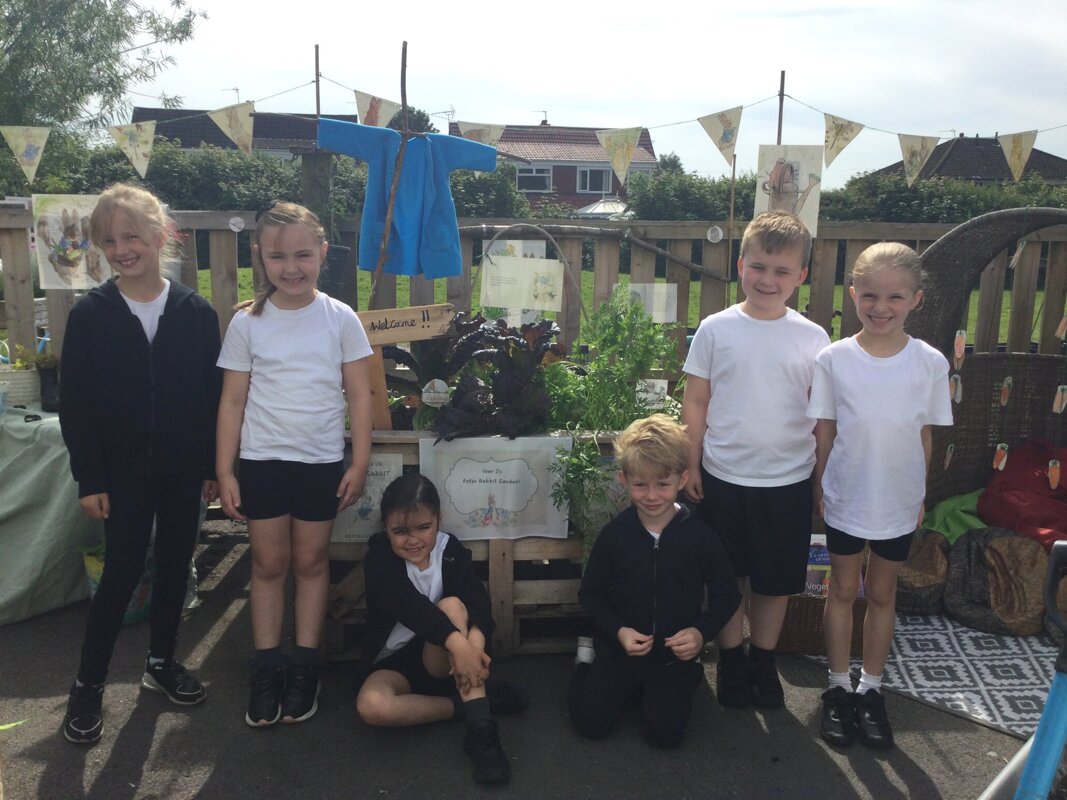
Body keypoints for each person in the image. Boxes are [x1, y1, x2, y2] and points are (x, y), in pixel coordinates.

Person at [59, 182, 222, 744]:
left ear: (161, 236)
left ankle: (160, 663)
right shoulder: (92, 316)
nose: (122, 248)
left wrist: (209, 467)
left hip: (182, 472)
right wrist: (91, 478)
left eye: (132, 236)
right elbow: (75, 406)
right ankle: (88, 687)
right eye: (109, 241)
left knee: (177, 567)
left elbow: (210, 395)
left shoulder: (195, 313)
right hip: (121, 475)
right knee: (122, 575)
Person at [215, 201, 373, 727]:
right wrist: (225, 469)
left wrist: (361, 461)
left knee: (310, 563)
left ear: (322, 254)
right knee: (268, 565)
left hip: (320, 462)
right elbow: (232, 402)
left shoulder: (340, 318)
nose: (291, 267)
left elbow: (360, 394)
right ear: (260, 256)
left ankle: (305, 666)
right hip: (261, 463)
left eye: (303, 254)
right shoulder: (248, 324)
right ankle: (268, 667)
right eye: (278, 256)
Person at [681, 210, 831, 709]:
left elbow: (821, 418)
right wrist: (692, 462)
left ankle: (764, 661)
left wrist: (819, 479)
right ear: (741, 264)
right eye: (759, 266)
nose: (769, 279)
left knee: (774, 580)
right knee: (728, 577)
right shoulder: (715, 329)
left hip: (787, 480)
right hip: (723, 475)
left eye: (782, 271)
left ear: (801, 276)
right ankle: (731, 659)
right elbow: (697, 401)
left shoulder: (812, 338)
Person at [809, 242, 952, 749]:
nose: (881, 307)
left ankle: (871, 687)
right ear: (853, 295)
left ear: (915, 298)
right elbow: (824, 431)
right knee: (844, 590)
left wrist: (919, 493)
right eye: (869, 295)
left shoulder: (930, 362)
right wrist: (823, 487)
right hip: (847, 495)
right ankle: (837, 686)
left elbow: (925, 436)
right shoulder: (833, 359)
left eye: (894, 296)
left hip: (897, 500)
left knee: (884, 593)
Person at [569, 414, 741, 747]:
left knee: (665, 736)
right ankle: (584, 665)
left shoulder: (700, 536)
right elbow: (591, 593)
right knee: (590, 724)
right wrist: (619, 631)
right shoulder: (615, 535)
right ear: (623, 480)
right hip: (621, 650)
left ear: (682, 479)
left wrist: (700, 632)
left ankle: (670, 689)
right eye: (640, 484)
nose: (651, 495)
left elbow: (727, 594)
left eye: (662, 484)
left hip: (672, 657)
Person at [354, 473, 527, 785]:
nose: (413, 539)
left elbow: (478, 604)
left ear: (439, 520)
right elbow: (409, 606)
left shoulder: (451, 551)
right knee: (371, 706)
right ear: (385, 527)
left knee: (453, 606)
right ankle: (466, 706)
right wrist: (460, 646)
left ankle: (482, 731)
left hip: (441, 657)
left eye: (424, 527)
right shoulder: (379, 558)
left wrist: (472, 643)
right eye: (400, 531)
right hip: (395, 663)